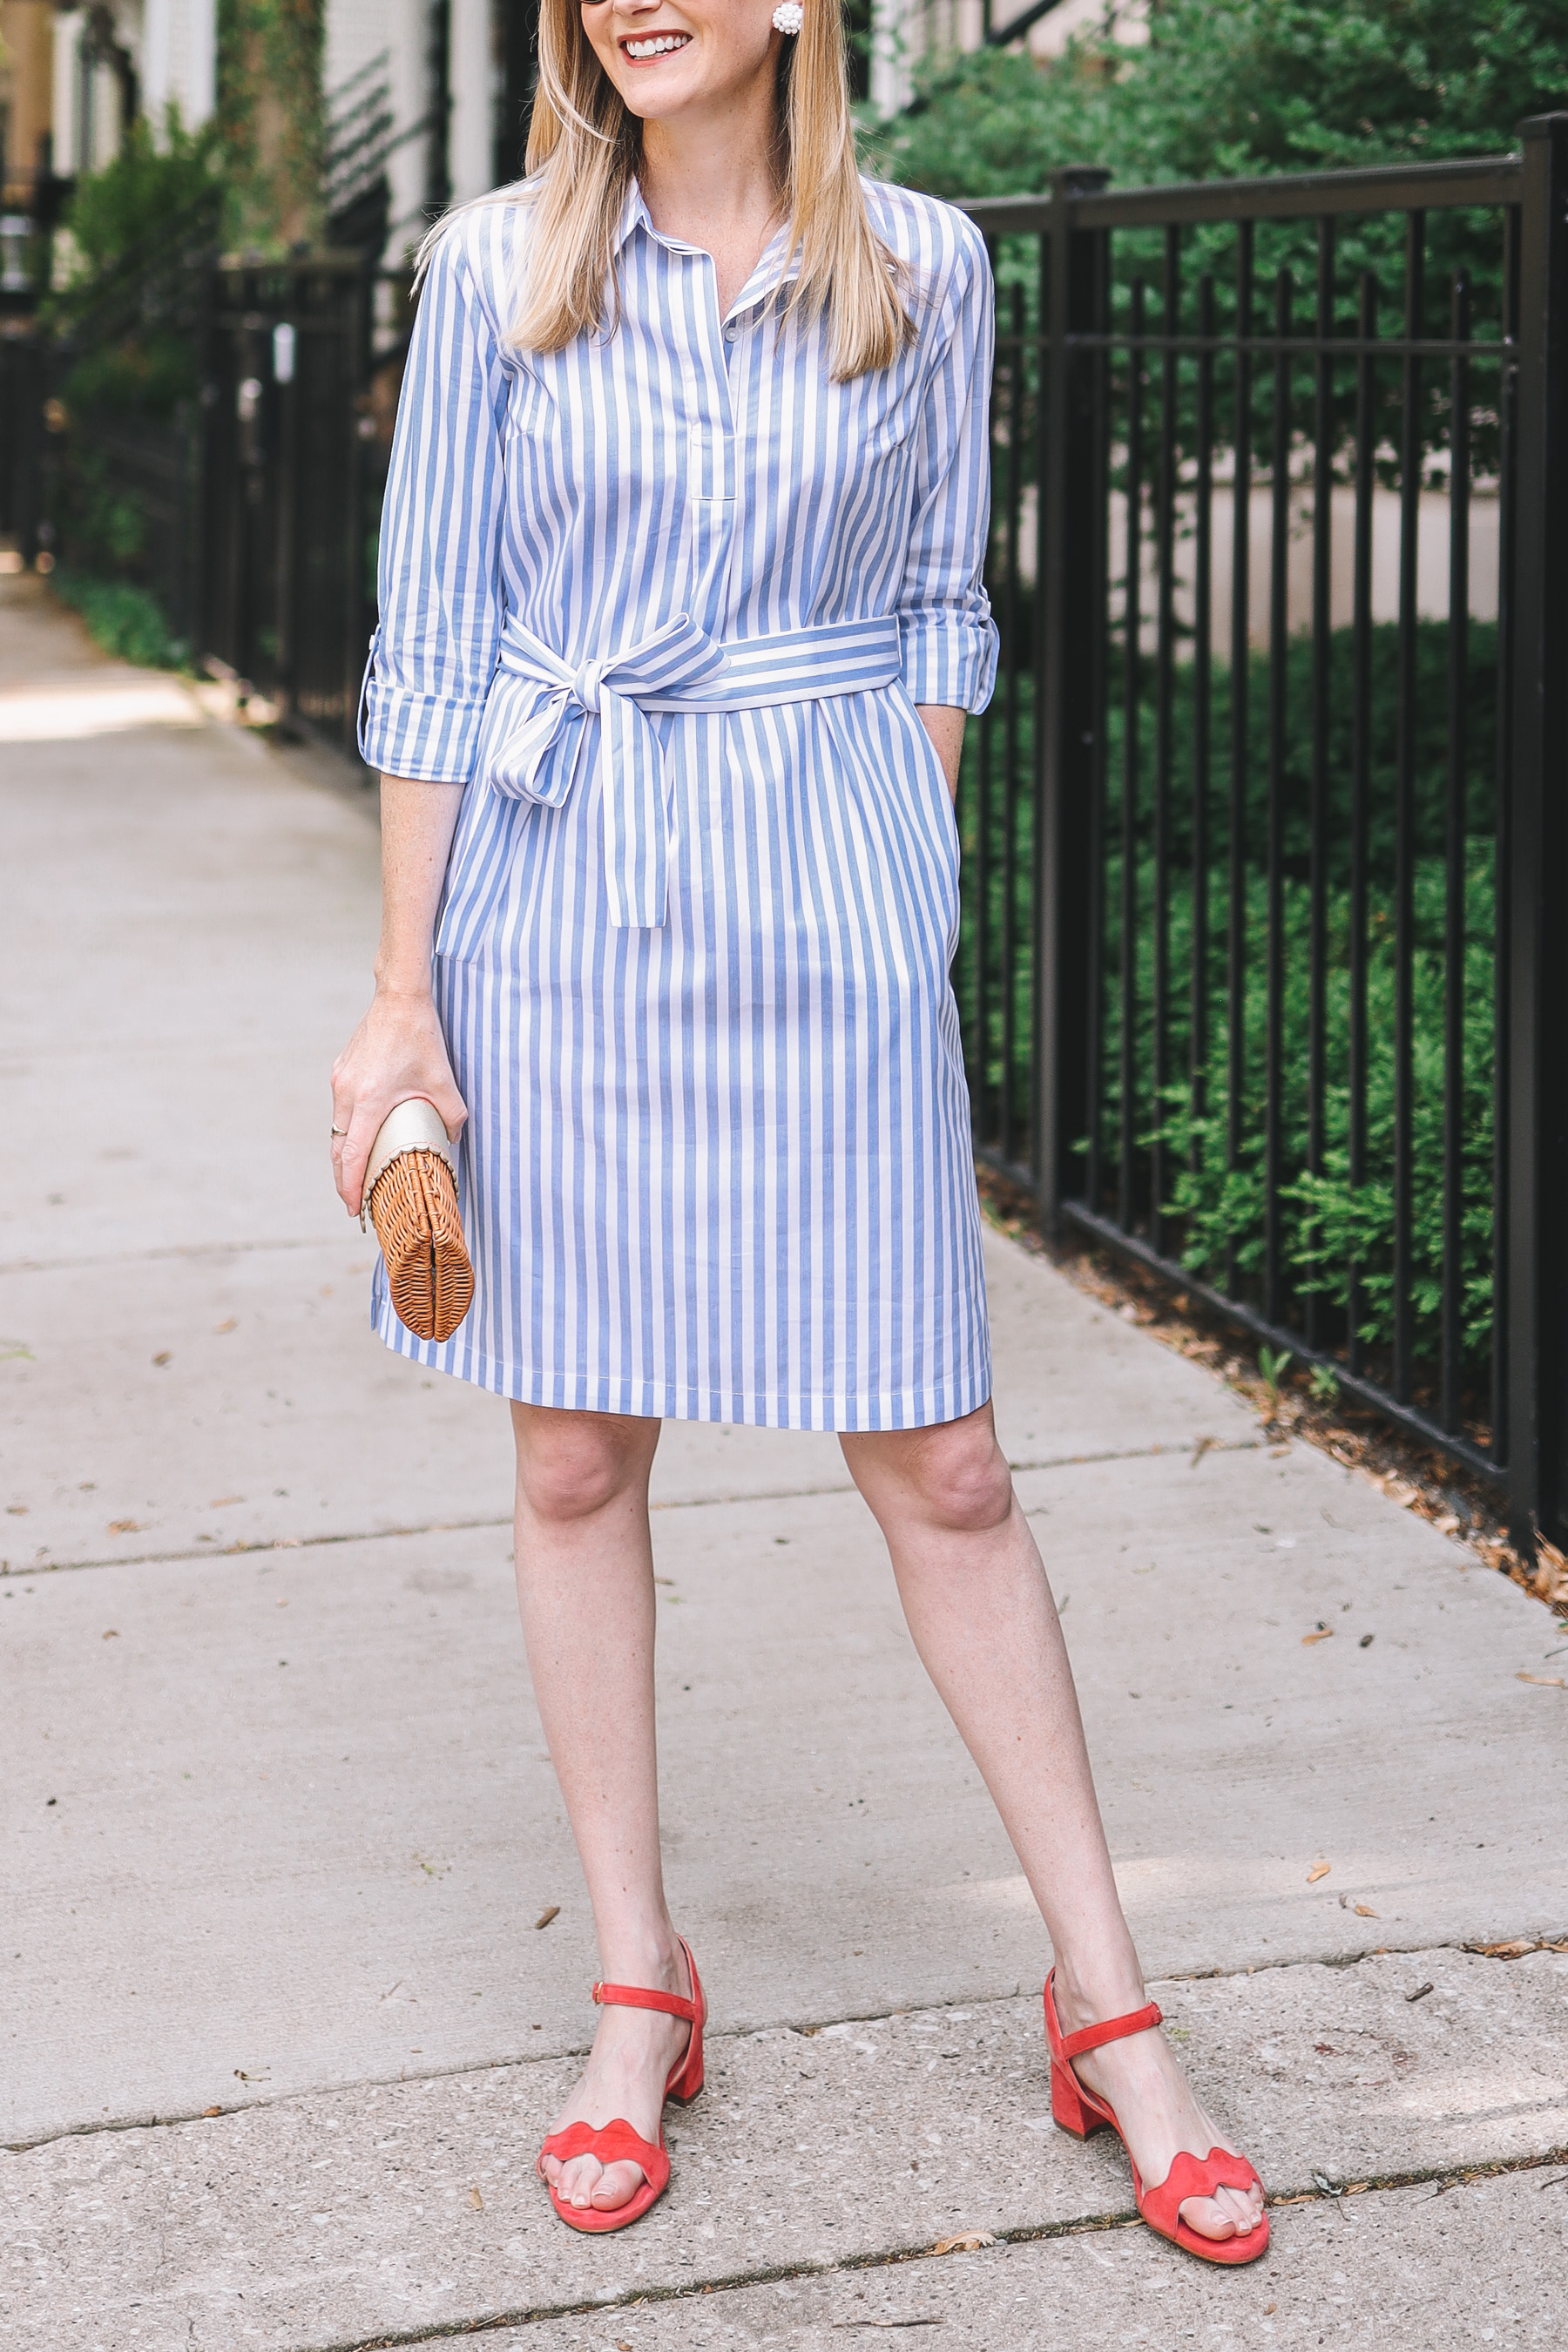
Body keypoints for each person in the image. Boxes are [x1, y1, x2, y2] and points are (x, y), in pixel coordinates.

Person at [329, 0, 1267, 2267]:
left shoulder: (928, 267)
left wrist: (892, 893)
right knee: (574, 1455)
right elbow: (436, 639)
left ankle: (1109, 2002)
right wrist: (401, 1005)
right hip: (561, 919)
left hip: (819, 935)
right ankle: (640, 1981)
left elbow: (942, 603)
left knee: (945, 1464)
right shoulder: (490, 271)